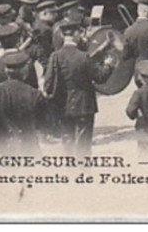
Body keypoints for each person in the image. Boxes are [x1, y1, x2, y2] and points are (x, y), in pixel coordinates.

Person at [42, 17, 115, 155]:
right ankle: (83, 172)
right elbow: (99, 78)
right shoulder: (83, 56)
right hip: (84, 105)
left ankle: (70, 171)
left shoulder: (55, 56)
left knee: (67, 141)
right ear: (76, 34)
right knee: (83, 144)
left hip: (63, 105)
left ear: (63, 35)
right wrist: (108, 65)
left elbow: (48, 84)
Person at [0, 52, 42, 152]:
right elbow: (44, 121)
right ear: (25, 72)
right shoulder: (34, 93)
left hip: (3, 145)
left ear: (6, 71)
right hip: (29, 145)